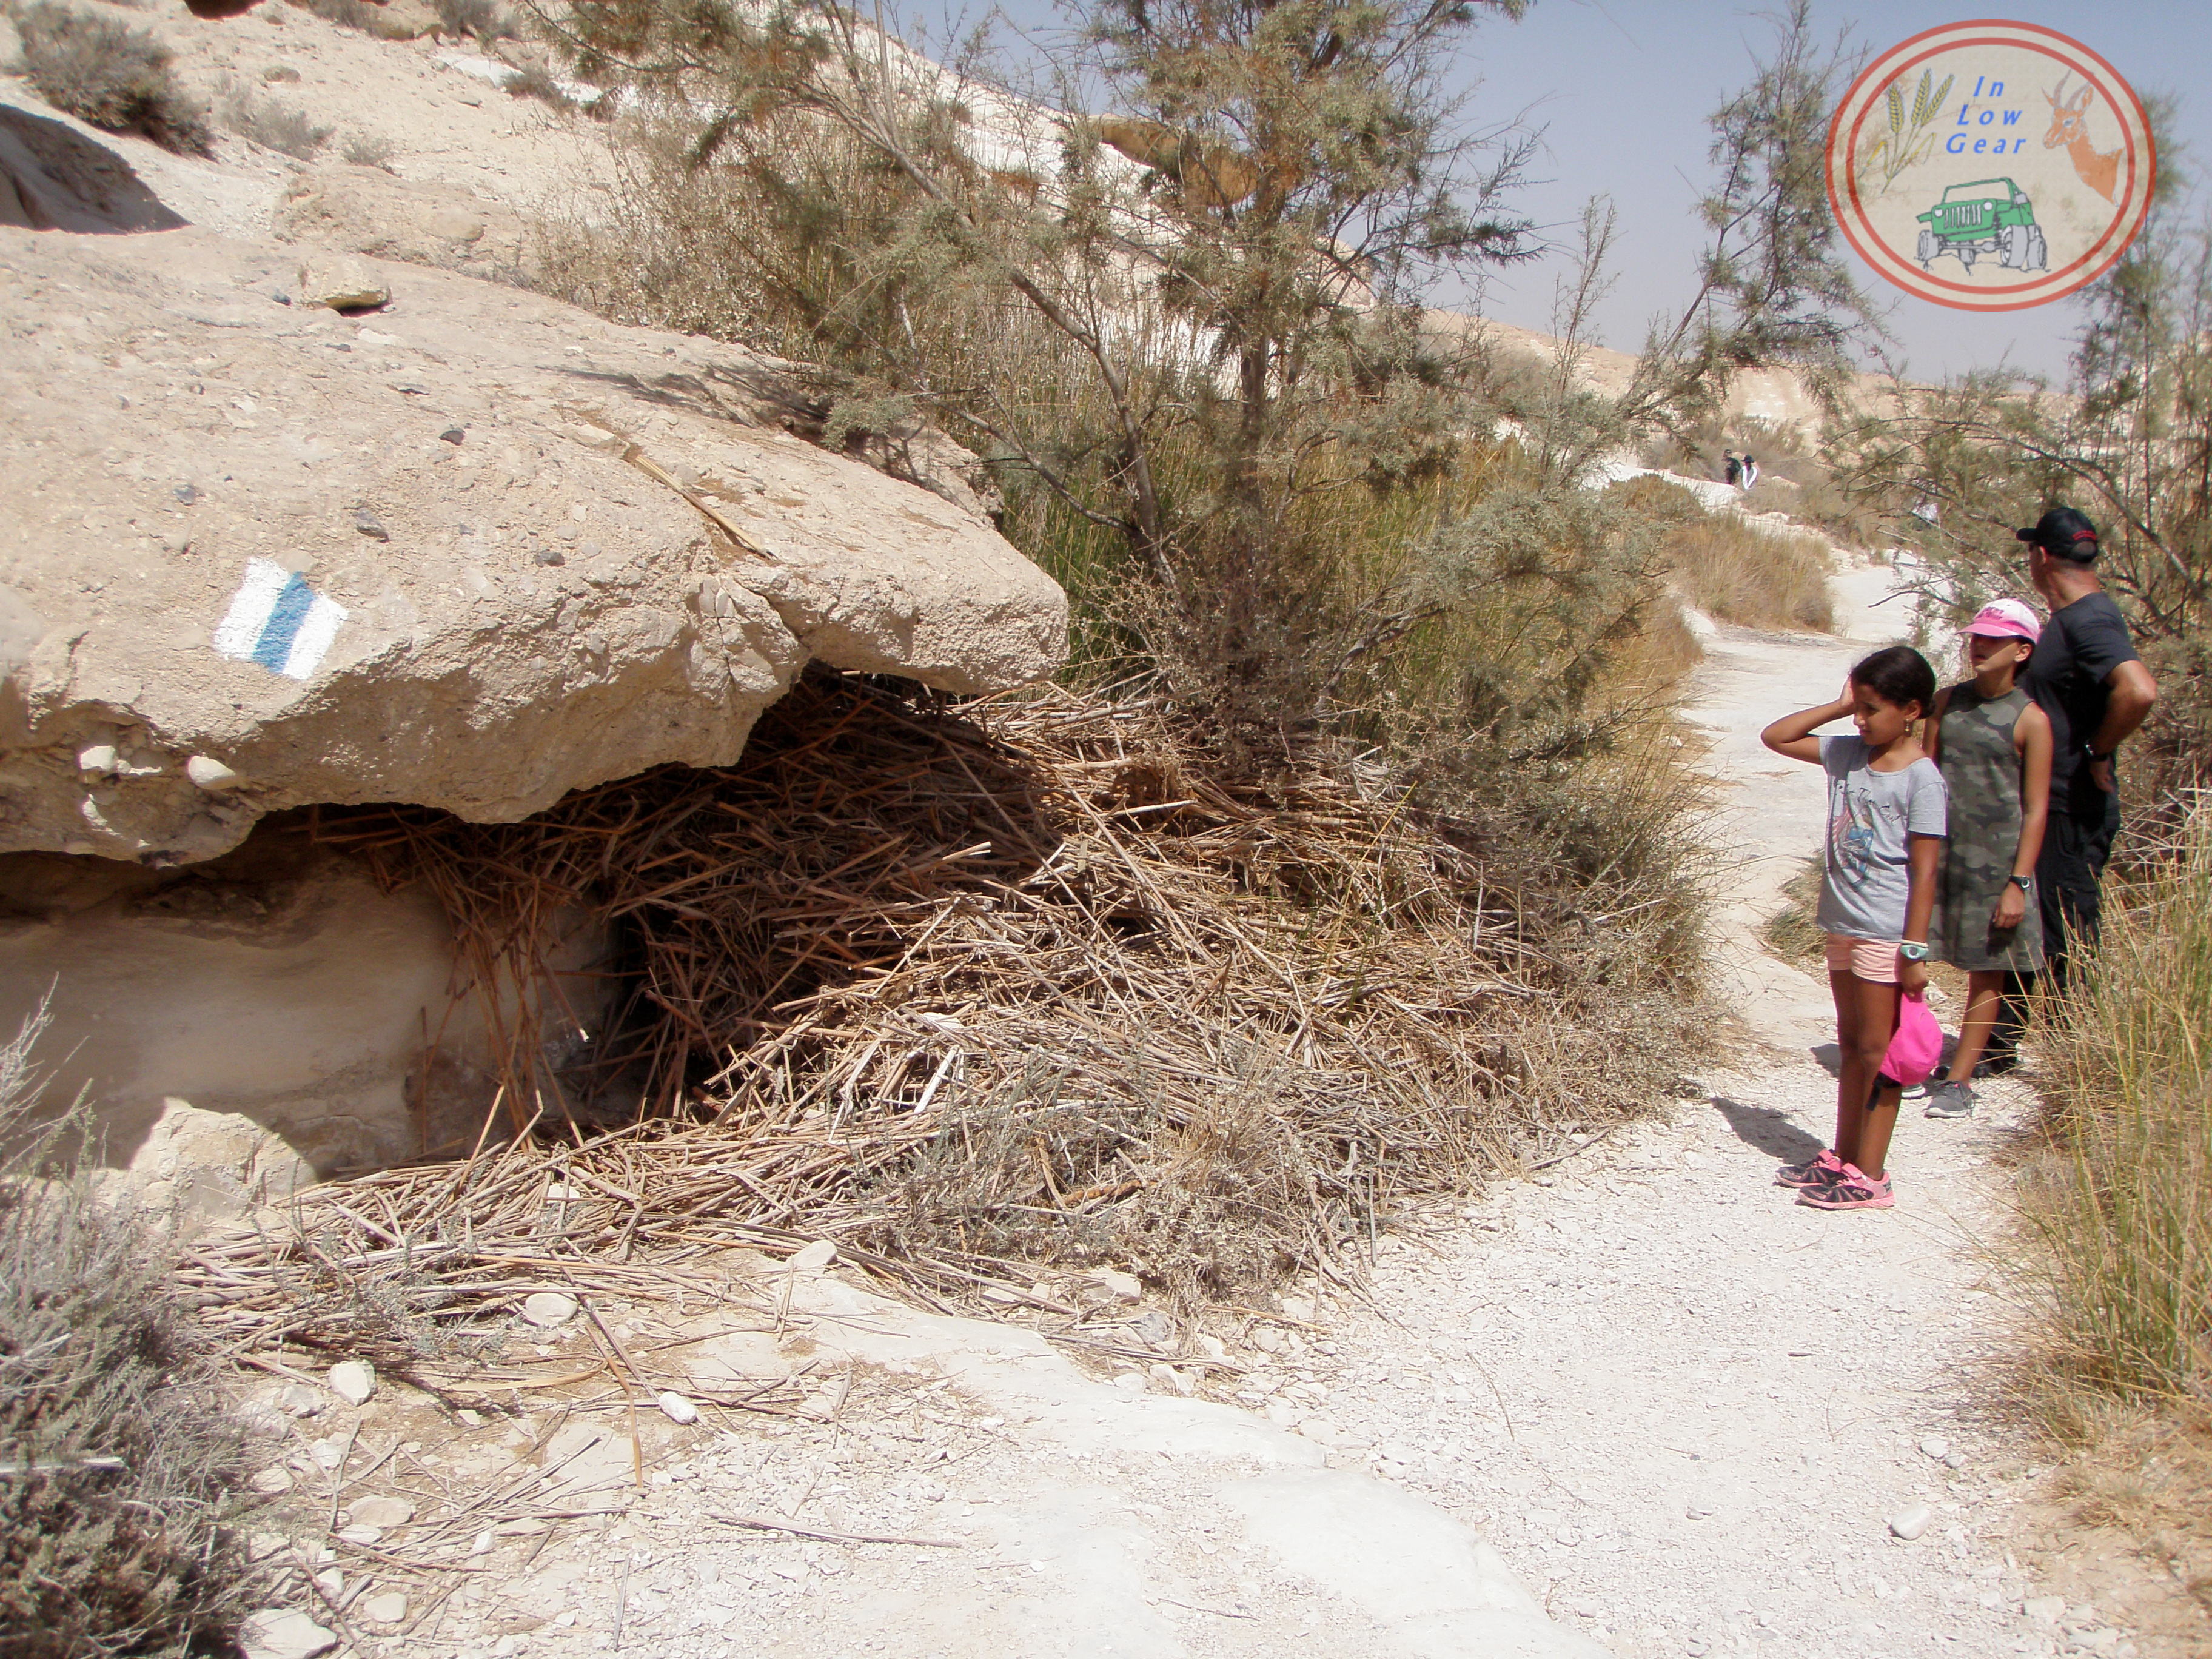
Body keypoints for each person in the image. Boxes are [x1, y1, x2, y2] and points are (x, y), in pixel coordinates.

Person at [1759, 646, 1948, 1210]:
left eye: (1872, 709)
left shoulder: (1922, 779)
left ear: (1911, 710)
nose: (1861, 720)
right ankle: (1843, 1156)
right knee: (1851, 1045)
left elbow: (1926, 870)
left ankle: (1872, 1174)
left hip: (1885, 930)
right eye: (1858, 708)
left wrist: (1914, 949)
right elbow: (1777, 736)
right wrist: (1840, 707)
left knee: (1879, 1051)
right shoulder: (1848, 754)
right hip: (1842, 921)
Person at [1980, 508, 2159, 1071]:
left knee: (2067, 932)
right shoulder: (2074, 618)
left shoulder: (2089, 620)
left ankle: (2080, 1061)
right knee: (2026, 920)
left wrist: (2097, 752)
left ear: (2041, 556)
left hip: (2070, 806)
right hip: (2047, 802)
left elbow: (2139, 690)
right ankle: (2000, 1044)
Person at [1918, 600, 2053, 1119]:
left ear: (2022, 651)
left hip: (1996, 868)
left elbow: (2036, 808)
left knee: (1988, 971)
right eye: (1976, 637)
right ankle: (1909, 1059)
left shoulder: (2031, 719)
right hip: (1940, 856)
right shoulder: (1947, 702)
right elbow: (1925, 772)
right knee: (1911, 954)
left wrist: (2019, 882)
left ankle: (1959, 1080)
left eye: (1994, 640)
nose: (1979, 646)